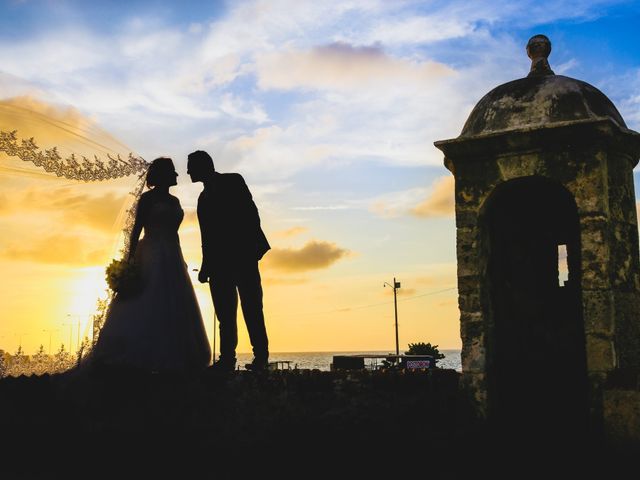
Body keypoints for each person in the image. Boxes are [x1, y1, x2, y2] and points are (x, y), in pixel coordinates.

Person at [89, 157, 211, 372]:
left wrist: (180, 259)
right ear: (163, 175)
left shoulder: (174, 202)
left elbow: (174, 233)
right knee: (148, 299)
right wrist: (130, 260)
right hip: (151, 253)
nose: (176, 175)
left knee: (174, 302)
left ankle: (176, 354)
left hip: (173, 253)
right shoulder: (146, 199)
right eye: (172, 171)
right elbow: (136, 229)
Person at [187, 150, 270, 372]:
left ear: (203, 166)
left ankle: (261, 357)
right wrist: (205, 266)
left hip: (243, 257)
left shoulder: (233, 180)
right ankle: (227, 359)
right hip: (218, 264)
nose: (187, 172)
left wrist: (252, 249)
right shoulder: (202, 198)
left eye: (190, 167)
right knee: (225, 313)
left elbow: (251, 214)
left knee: (252, 308)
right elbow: (207, 236)